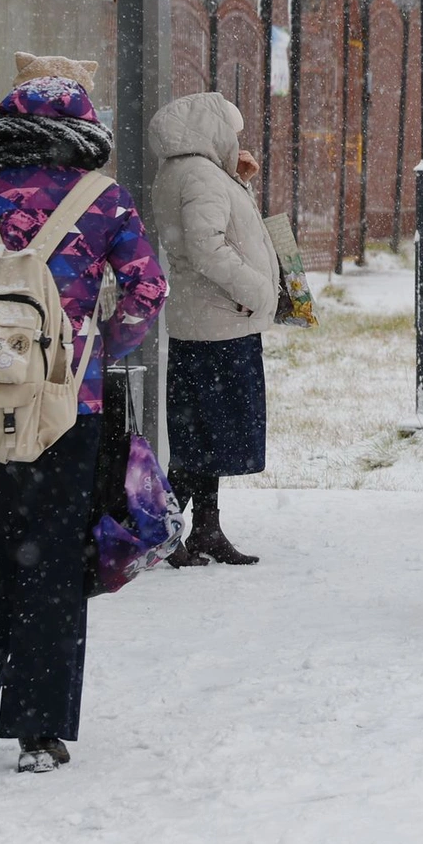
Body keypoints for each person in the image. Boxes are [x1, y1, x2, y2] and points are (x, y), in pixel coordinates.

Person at [0, 54, 168, 774]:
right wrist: (96, 348)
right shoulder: (105, 202)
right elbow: (148, 292)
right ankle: (40, 727)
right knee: (53, 554)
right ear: (83, 132)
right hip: (66, 407)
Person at [148, 92, 281, 567]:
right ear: (211, 128)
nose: (236, 140)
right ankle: (160, 531)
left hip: (208, 322)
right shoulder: (200, 176)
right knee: (205, 437)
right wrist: (259, 291)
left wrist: (237, 181)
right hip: (220, 325)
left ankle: (203, 528)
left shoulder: (190, 173)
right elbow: (206, 248)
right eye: (232, 131)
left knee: (202, 435)